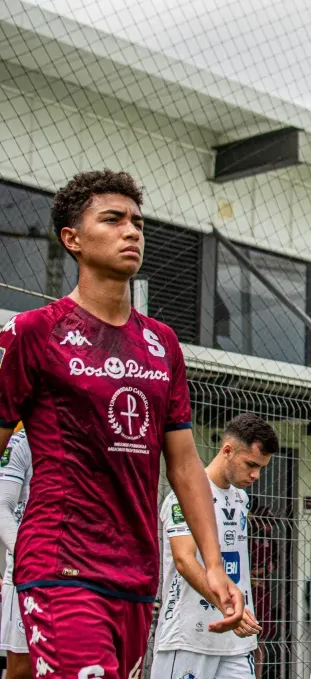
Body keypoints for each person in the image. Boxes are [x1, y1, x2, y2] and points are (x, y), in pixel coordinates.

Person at [0, 170, 244, 677]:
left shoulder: (162, 344)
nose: (131, 231)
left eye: (137, 221)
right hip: (59, 563)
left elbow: (183, 465)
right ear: (73, 239)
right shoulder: (33, 334)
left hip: (135, 574)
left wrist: (214, 565)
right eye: (112, 220)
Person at [152, 413, 279, 678]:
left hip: (236, 642)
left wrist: (248, 636)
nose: (256, 475)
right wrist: (229, 608)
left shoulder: (241, 500)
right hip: (188, 636)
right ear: (228, 450)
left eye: (261, 468)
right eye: (250, 464)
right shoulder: (184, 496)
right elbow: (184, 560)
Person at [0, 424, 31, 679]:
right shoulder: (21, 439)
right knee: (23, 669)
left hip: (76, 573)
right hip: (27, 574)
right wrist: (30, 557)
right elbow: (1, 508)